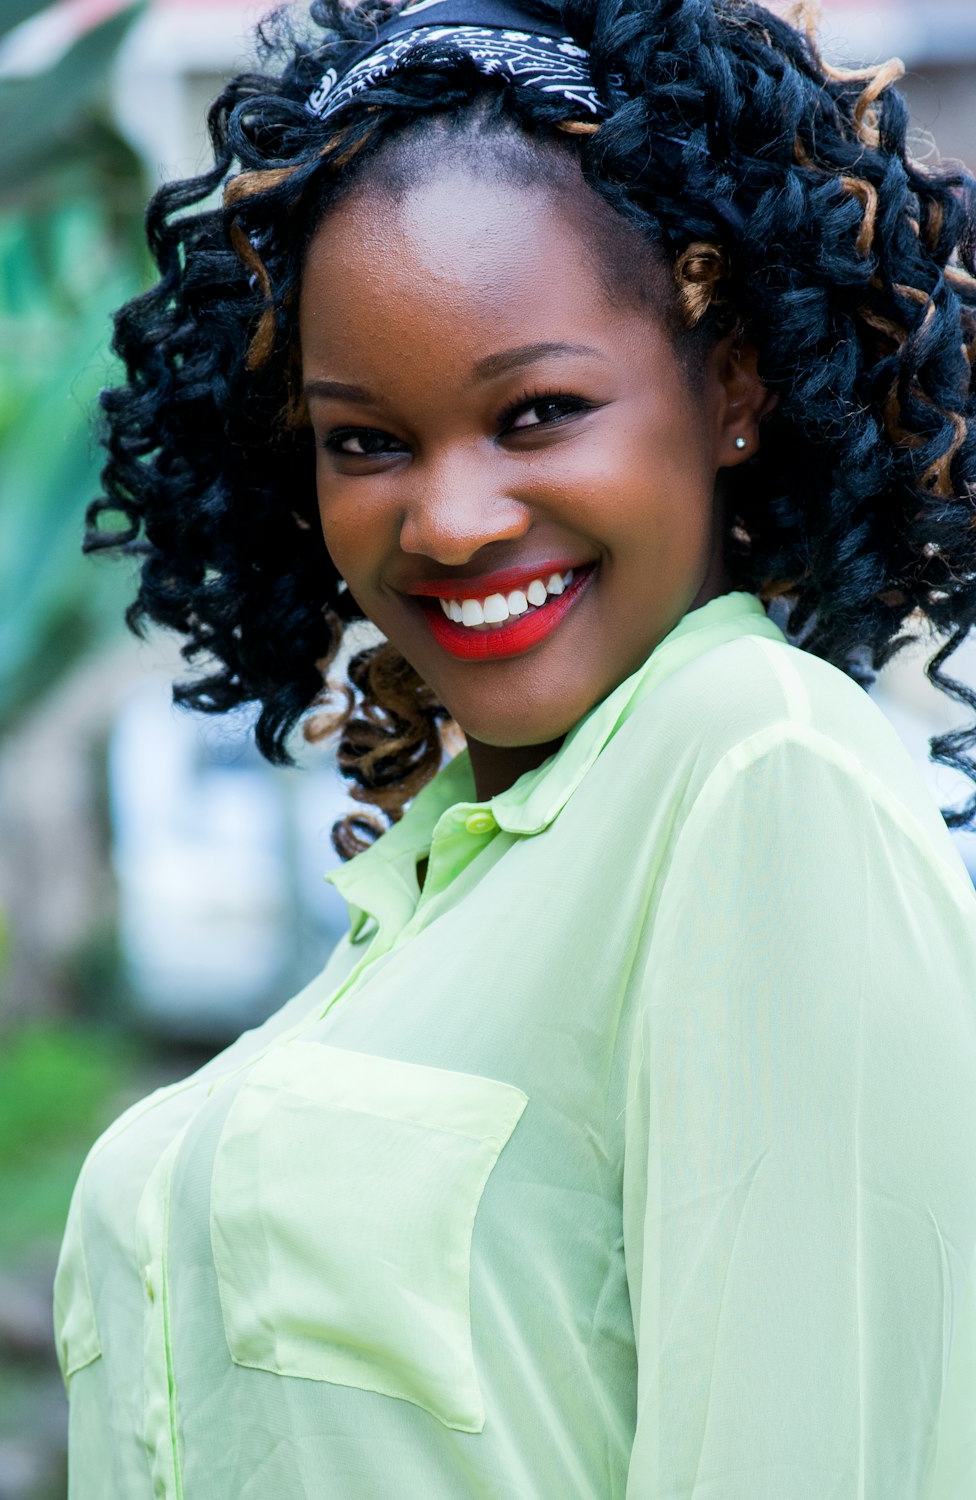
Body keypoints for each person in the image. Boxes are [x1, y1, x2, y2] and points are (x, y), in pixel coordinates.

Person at [55, 0, 976, 1493]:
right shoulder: (434, 897)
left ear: (732, 388)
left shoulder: (755, 768)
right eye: (366, 441)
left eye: (539, 412)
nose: (449, 519)